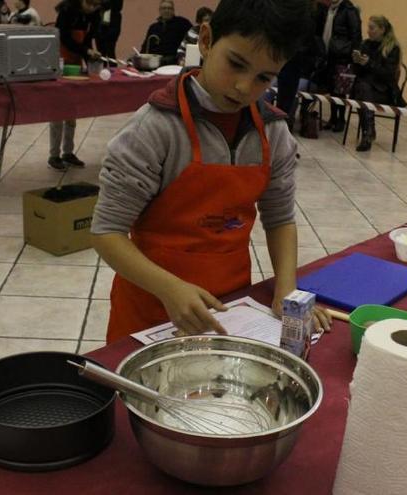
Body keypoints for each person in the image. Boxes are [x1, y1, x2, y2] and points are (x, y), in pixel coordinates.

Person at [90, 0, 332, 343]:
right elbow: (106, 233)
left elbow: (279, 219)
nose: (244, 88)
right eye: (236, 64)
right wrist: (170, 288)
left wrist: (287, 289)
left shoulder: (274, 132)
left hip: (232, 308)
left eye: (264, 77)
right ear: (206, 40)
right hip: (151, 309)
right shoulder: (155, 129)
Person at [49, 0, 104, 171]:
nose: (93, 8)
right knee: (58, 109)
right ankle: (54, 155)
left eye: (96, 6)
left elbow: (88, 39)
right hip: (60, 58)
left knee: (72, 109)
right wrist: (86, 51)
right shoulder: (66, 11)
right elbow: (63, 37)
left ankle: (68, 152)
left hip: (76, 60)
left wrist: (91, 58)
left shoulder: (94, 14)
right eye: (90, 4)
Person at [350, 15, 402, 152]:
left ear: (382, 29)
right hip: (365, 88)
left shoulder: (392, 48)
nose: (368, 31)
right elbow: (357, 72)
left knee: (362, 90)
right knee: (362, 88)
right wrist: (356, 62)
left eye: (372, 28)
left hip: (384, 91)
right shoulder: (365, 44)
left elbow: (388, 75)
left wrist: (369, 64)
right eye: (368, 27)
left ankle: (368, 132)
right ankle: (368, 131)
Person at [315, 0, 361, 132]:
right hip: (329, 55)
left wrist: (353, 56)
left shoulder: (349, 10)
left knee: (341, 90)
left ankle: (341, 120)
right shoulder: (327, 9)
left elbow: (356, 34)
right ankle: (333, 118)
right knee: (332, 88)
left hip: (343, 56)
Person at [140, 0, 192, 66]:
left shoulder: (182, 23)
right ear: (160, 11)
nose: (166, 10)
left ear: (173, 10)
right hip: (155, 62)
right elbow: (145, 47)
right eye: (164, 8)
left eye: (169, 8)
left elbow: (192, 40)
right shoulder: (153, 27)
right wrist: (139, 57)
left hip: (174, 63)